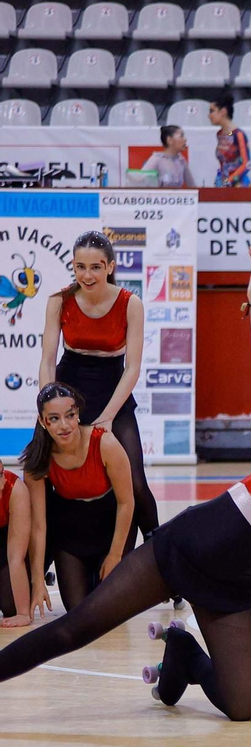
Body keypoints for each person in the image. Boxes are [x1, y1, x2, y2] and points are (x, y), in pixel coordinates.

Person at [0, 247, 251, 723]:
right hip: (178, 550)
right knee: (75, 630)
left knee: (241, 708)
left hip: (231, 588)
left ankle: (185, 654)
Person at [39, 231, 160, 559]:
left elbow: (132, 368)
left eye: (95, 267)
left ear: (110, 266)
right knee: (46, 476)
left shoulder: (130, 304)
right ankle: (46, 553)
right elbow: (48, 360)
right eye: (80, 267)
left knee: (134, 480)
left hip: (113, 390)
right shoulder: (58, 301)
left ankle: (157, 554)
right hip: (67, 391)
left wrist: (108, 415)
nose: (87, 275)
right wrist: (46, 406)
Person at [21, 382, 135, 611]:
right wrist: (37, 581)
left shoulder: (105, 443)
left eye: (69, 415)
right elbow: (39, 525)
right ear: (43, 422)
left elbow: (126, 502)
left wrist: (115, 555)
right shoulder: (38, 460)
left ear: (78, 414)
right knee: (78, 611)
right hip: (70, 532)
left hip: (110, 524)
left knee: (107, 608)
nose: (64, 425)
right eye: (54, 419)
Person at [0, 468, 36, 628]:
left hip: (8, 541)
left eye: (0, 474)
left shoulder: (15, 489)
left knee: (10, 606)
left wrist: (23, 614)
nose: (1, 485)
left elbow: (16, 556)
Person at [211, 94, 251, 185]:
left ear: (223, 112)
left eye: (212, 111)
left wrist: (229, 181)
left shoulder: (238, 134)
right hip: (223, 183)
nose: (209, 116)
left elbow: (246, 164)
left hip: (238, 185)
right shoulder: (220, 134)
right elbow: (223, 163)